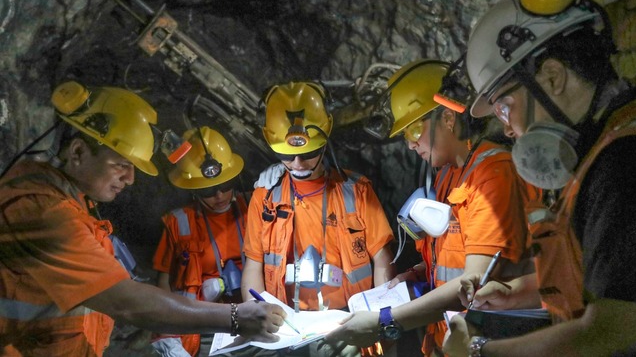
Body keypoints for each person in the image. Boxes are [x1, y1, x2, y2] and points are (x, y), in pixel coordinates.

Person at [0, 81, 285, 357]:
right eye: (122, 165)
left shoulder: (69, 200)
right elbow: (127, 303)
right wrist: (234, 317)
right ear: (78, 152)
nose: (130, 178)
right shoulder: (43, 211)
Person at [442, 0, 636, 356]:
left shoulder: (628, 161)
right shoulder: (599, 149)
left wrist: (477, 351)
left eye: (505, 107)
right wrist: (520, 290)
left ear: (552, 78)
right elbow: (609, 273)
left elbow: (615, 330)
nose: (506, 129)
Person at [325, 58, 540, 356]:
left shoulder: (493, 174)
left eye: (413, 131)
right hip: (449, 341)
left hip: (487, 341)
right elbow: (448, 261)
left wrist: (385, 322)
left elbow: (473, 282)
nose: (410, 145)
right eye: (405, 136)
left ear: (448, 119)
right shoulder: (447, 176)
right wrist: (413, 276)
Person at [241, 81, 396, 356]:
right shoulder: (264, 197)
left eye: (308, 153)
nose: (298, 164)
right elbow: (253, 265)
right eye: (287, 156)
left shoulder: (357, 191)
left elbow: (382, 260)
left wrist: (381, 319)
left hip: (347, 323)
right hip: (287, 328)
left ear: (325, 137)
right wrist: (256, 317)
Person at [152, 126, 249, 357]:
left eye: (225, 186)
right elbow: (163, 285)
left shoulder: (253, 209)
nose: (219, 196)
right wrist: (166, 333)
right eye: (209, 190)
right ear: (194, 190)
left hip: (253, 319)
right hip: (206, 328)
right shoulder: (179, 223)